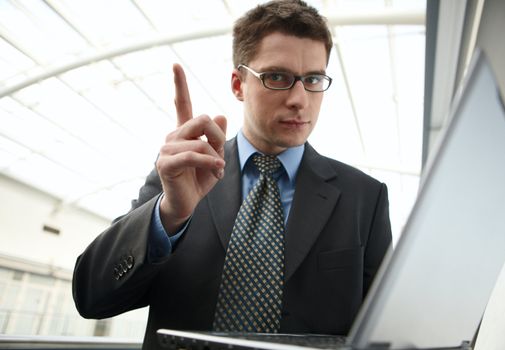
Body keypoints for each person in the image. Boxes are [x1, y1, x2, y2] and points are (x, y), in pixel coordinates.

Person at [72, 1, 392, 349]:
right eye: (277, 77)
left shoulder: (364, 196)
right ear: (238, 85)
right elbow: (92, 298)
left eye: (313, 78)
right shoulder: (182, 173)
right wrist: (169, 214)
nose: (300, 99)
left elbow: (384, 328)